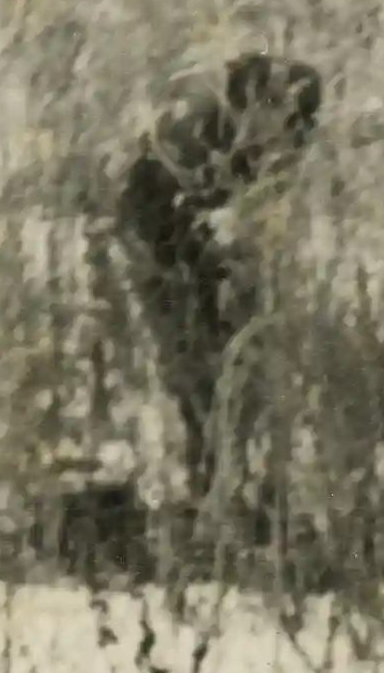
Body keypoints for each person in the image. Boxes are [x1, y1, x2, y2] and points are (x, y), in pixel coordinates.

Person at [109, 51, 323, 512]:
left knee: (244, 371)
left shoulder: (279, 133)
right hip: (164, 245)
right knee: (194, 371)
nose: (284, 137)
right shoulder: (191, 131)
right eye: (276, 114)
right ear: (253, 103)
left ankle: (238, 486)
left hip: (213, 254)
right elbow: (148, 222)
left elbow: (275, 200)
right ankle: (205, 491)